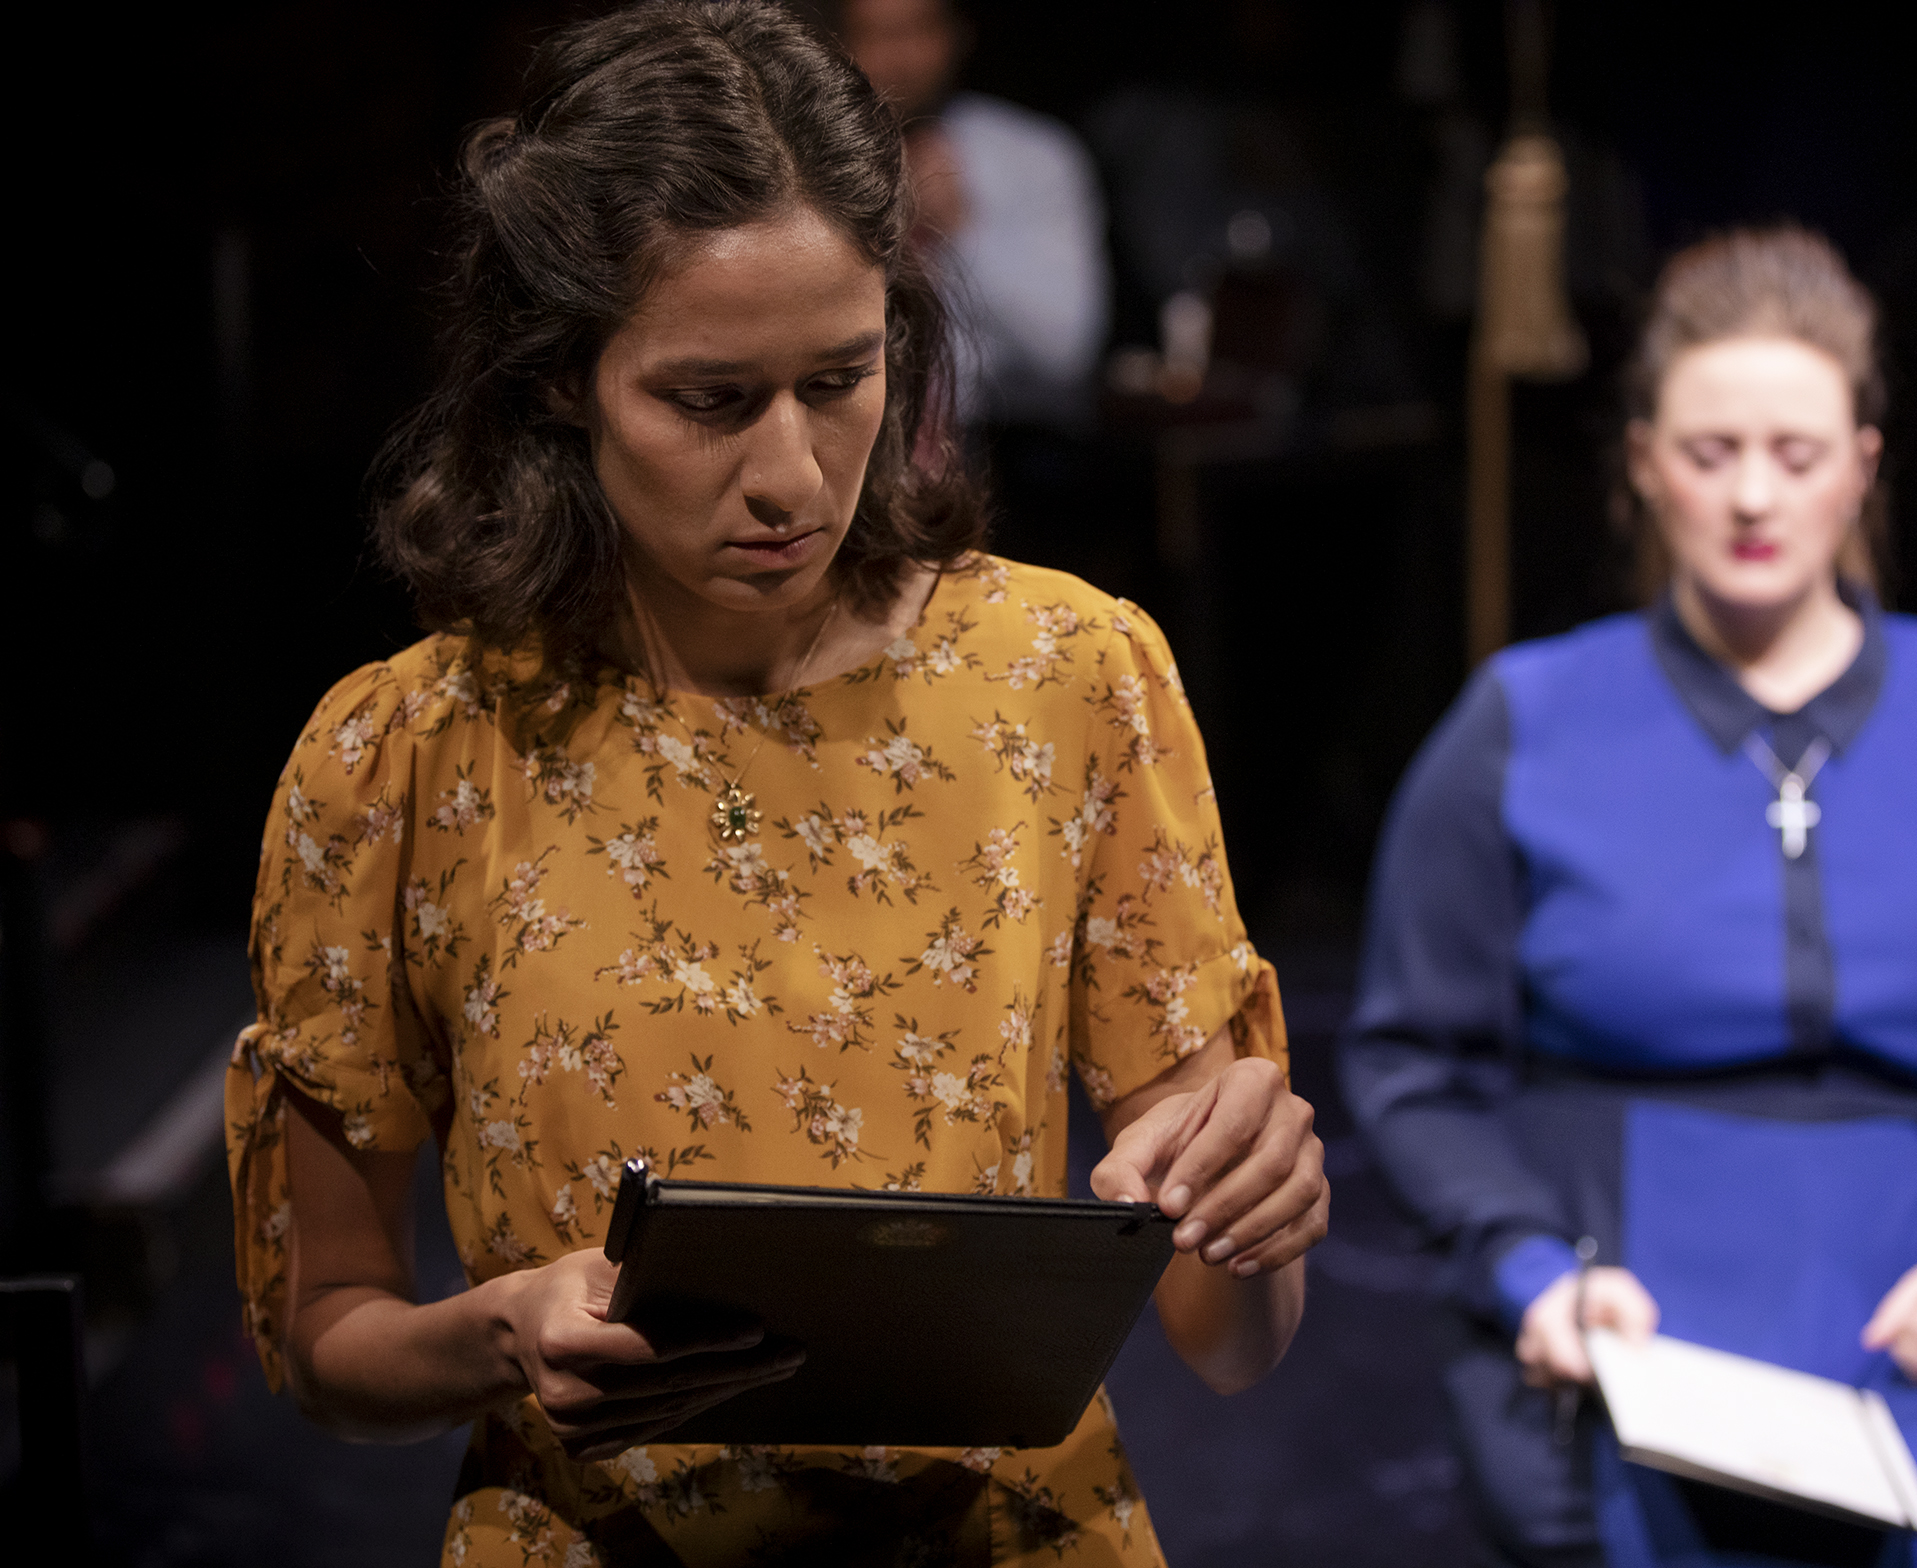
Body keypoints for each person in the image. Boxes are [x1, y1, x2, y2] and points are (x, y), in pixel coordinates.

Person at [223, 6, 1326, 1563]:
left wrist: (1260, 1220)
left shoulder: (1069, 677)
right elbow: (324, 1334)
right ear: (560, 380)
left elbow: (1229, 1338)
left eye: (840, 378)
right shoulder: (406, 756)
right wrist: (497, 1338)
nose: (796, 475)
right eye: (710, 399)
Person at [1340, 227, 1917, 1567]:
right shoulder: (1528, 721)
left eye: (1799, 454)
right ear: (1646, 466)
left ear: (1863, 470)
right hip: (1628, 1302)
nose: (1754, 498)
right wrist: (1531, 1272)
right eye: (1712, 455)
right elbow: (1417, 1061)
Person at [833, 0, 1110, 429]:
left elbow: (1066, 350)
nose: (901, 58)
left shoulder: (1033, 155)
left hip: (986, 444)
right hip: (838, 429)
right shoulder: (808, 160)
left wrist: (960, 231)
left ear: (958, 35)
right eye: (878, 35)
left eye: (919, 30)